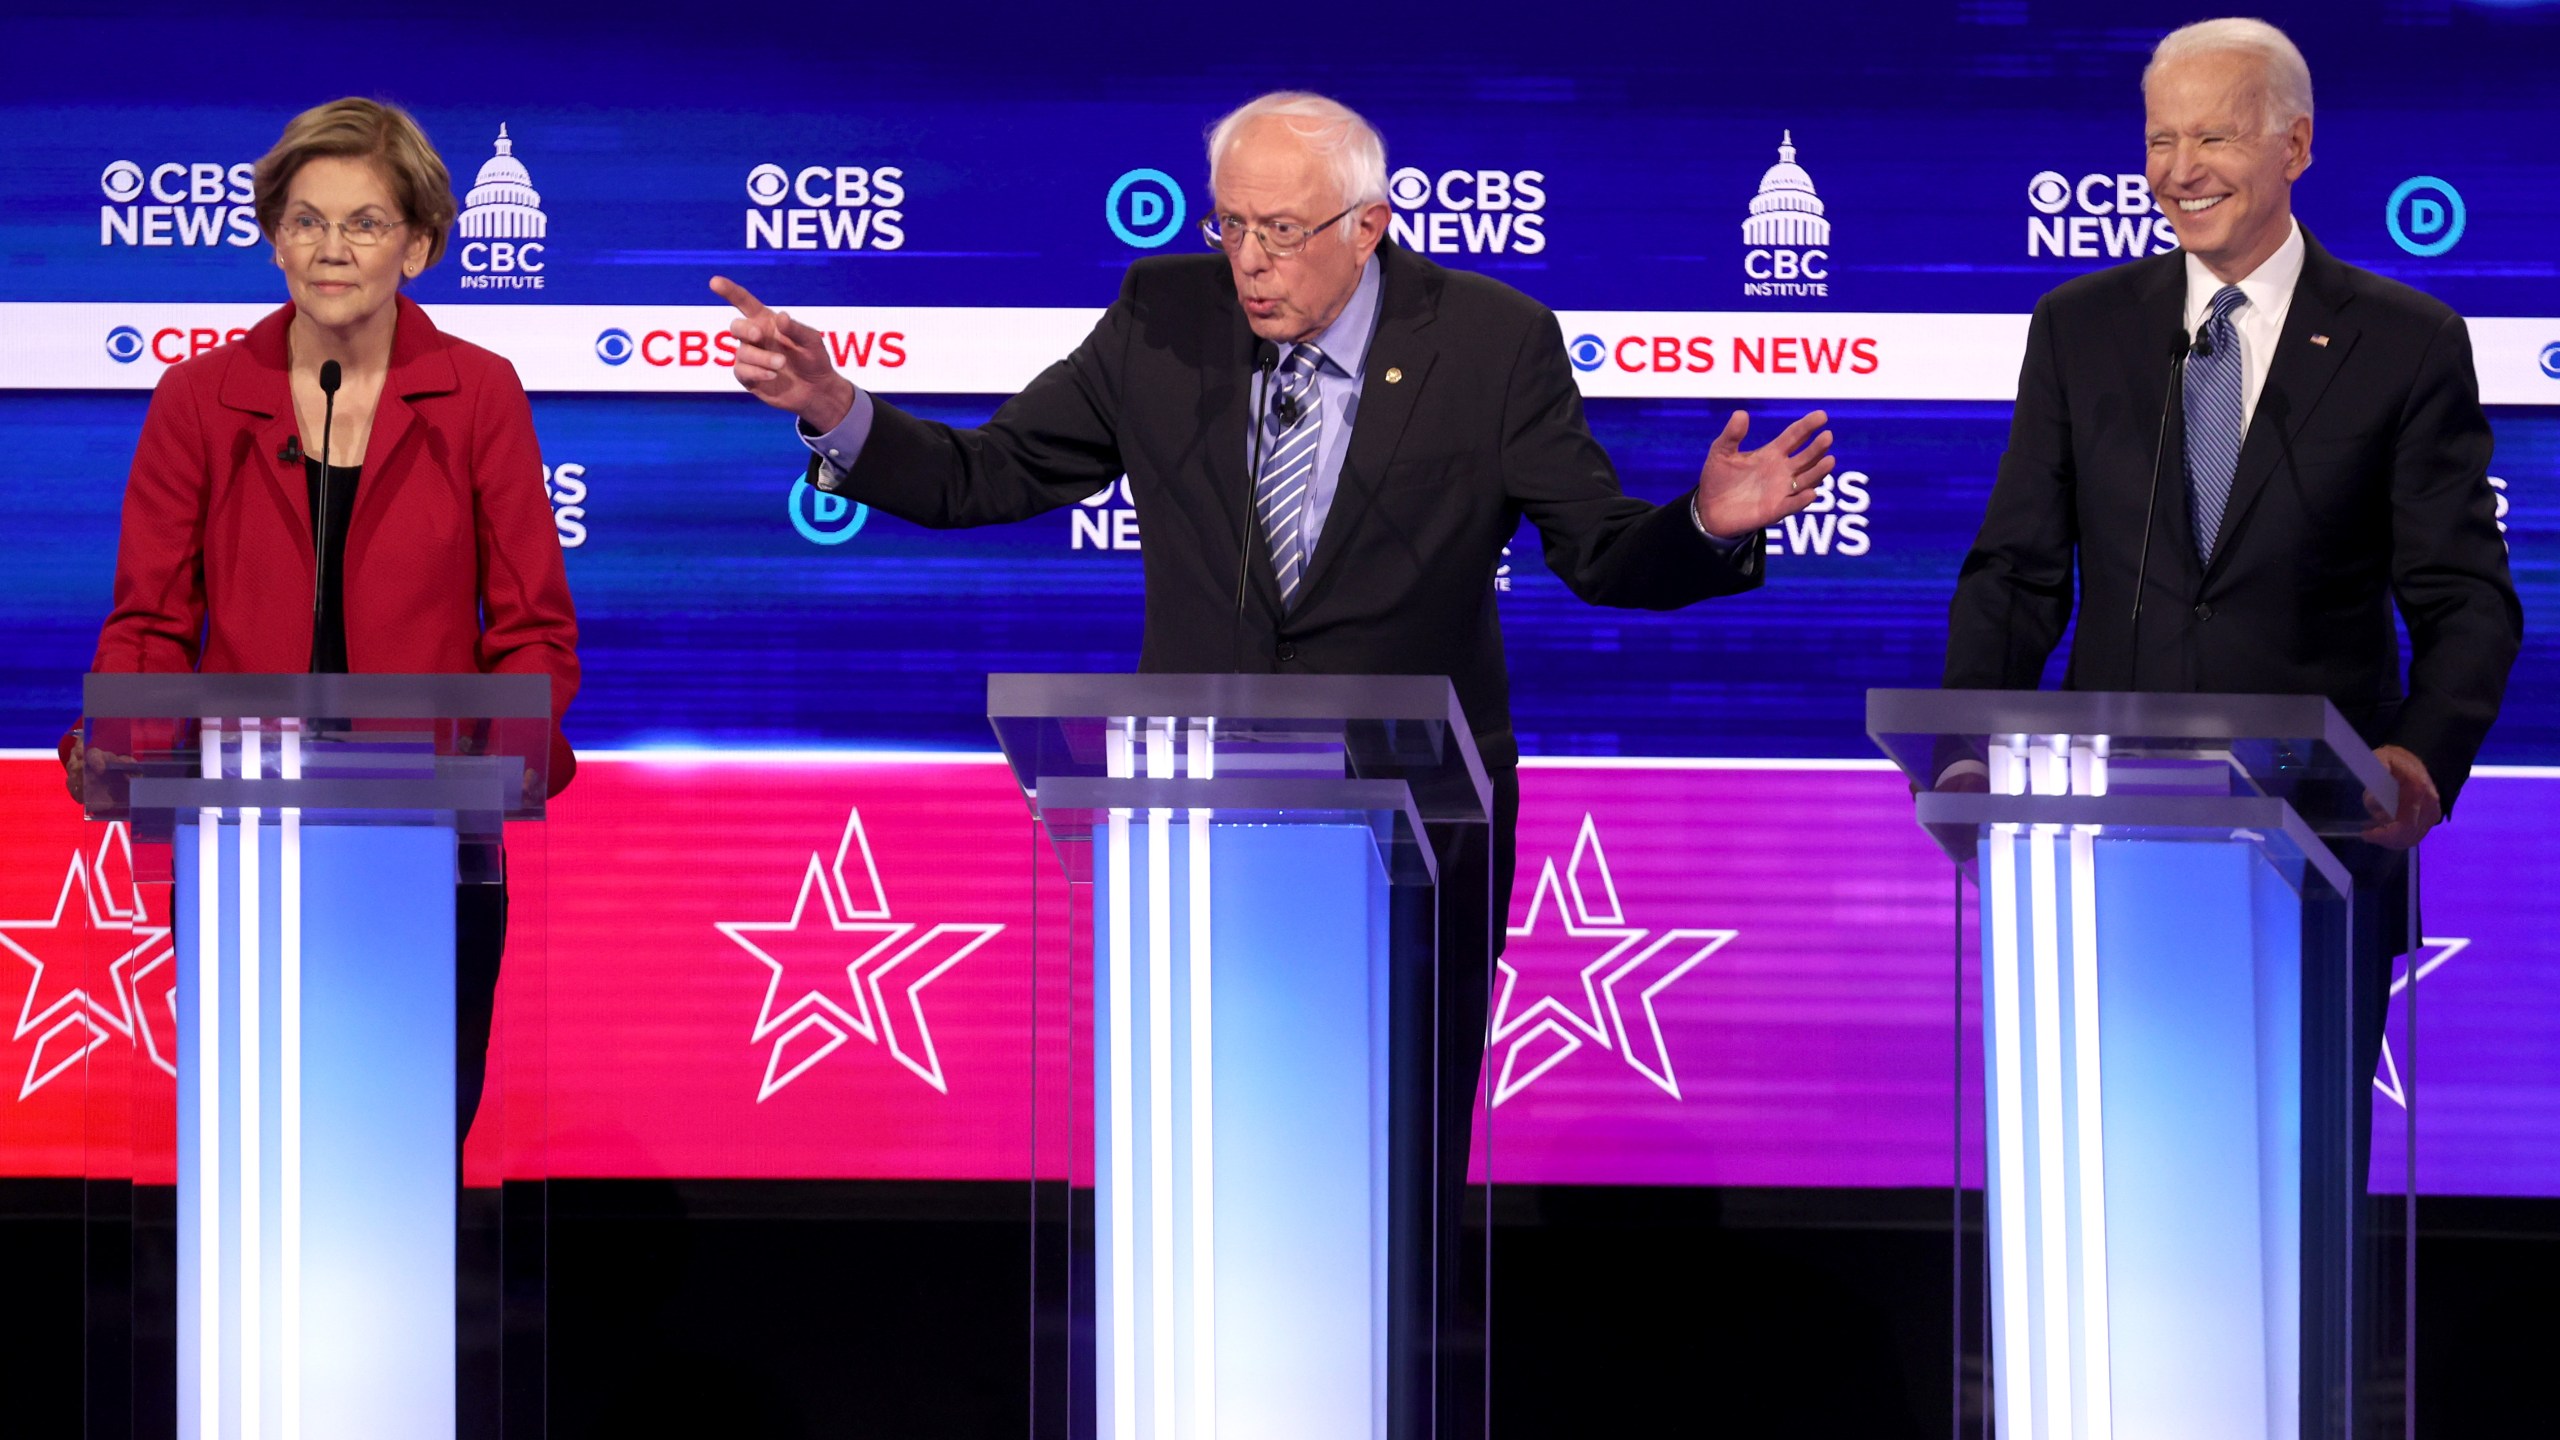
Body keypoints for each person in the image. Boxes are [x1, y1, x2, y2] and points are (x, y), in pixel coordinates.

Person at [714, 89, 1835, 1431]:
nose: (1249, 261)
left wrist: (1705, 524)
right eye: (1232, 225)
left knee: (1396, 1173)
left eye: (1284, 232)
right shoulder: (1162, 317)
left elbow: (1595, 554)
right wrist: (839, 408)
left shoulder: (1489, 341)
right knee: (1202, 1160)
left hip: (1426, 837)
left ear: (1369, 228)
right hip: (1201, 830)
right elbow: (993, 475)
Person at [1941, 17, 2520, 1150]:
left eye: (2211, 136)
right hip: (2105, 845)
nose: (2176, 171)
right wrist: (1968, 737)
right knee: (2111, 1161)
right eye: (2159, 140)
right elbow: (2015, 567)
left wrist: (2419, 756)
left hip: (2317, 845)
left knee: (2288, 1186)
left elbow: (2466, 597)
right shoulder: (2082, 329)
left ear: (2294, 146)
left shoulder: (2402, 341)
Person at [61, 97, 580, 1138]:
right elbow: (151, 624)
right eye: (304, 220)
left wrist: (508, 749)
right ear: (271, 238)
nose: (330, 250)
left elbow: (532, 630)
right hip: (246, 837)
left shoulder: (477, 395)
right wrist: (127, 743)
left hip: (435, 837)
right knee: (266, 1141)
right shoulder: (200, 399)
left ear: (420, 248)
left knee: (407, 1141)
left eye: (365, 223)